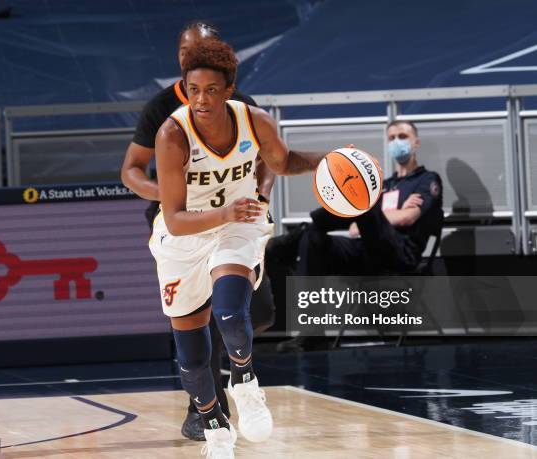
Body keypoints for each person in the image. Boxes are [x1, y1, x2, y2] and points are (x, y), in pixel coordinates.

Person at [151, 39, 328, 457]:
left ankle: (245, 382)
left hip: (238, 227)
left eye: (211, 90)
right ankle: (215, 429)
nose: (201, 99)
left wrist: (330, 159)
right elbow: (175, 218)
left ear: (229, 90)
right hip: (183, 238)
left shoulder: (255, 121)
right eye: (193, 90)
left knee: (231, 313)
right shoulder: (172, 134)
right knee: (193, 359)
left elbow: (283, 163)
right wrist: (226, 213)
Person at [120, 21, 275, 442]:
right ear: (180, 60)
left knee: (250, 315)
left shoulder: (239, 104)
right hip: (183, 226)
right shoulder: (161, 112)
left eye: (205, 50)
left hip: (234, 220)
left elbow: (268, 160)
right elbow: (130, 170)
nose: (196, 59)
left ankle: (240, 379)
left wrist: (260, 196)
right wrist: (174, 194)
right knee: (197, 323)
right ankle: (205, 411)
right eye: (189, 54)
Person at [274, 120, 444, 352]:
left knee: (364, 196)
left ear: (416, 142)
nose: (397, 142)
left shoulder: (427, 180)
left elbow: (408, 218)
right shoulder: (385, 184)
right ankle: (312, 335)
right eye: (392, 138)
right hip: (367, 249)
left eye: (403, 136)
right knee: (313, 239)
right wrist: (390, 212)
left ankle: (303, 229)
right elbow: (354, 229)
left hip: (400, 254)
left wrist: (382, 213)